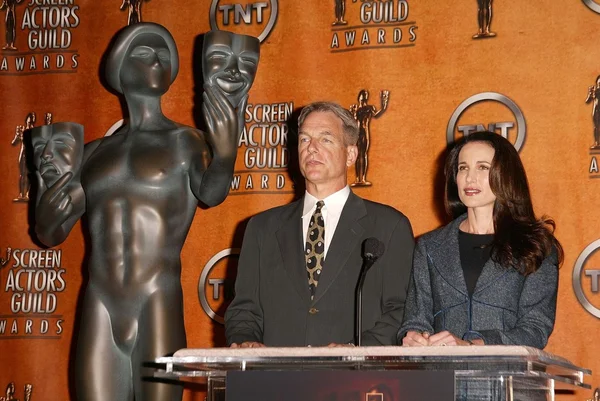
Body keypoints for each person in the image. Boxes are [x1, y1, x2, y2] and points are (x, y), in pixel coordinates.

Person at [33, 23, 246, 401]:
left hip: (156, 297)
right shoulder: (93, 152)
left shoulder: (187, 141)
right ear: (119, 69)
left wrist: (226, 156)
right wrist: (46, 213)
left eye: (163, 54)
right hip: (99, 300)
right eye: (144, 53)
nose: (157, 60)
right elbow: (52, 234)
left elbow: (211, 193)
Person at [225, 101, 415, 347]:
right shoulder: (262, 228)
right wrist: (246, 340)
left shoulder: (389, 226)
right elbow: (244, 310)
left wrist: (355, 350)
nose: (311, 149)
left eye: (325, 140)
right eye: (304, 140)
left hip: (356, 379)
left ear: (351, 154)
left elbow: (401, 309)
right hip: (276, 379)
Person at [399, 131, 562, 349]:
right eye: (463, 168)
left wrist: (473, 345)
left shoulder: (537, 246)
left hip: (506, 377)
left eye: (483, 167)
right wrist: (414, 336)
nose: (469, 177)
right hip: (442, 378)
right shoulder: (429, 246)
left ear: (506, 175)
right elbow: (416, 319)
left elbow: (535, 329)